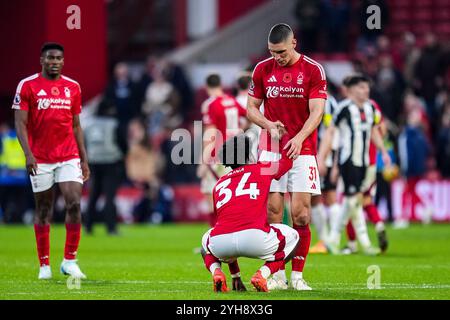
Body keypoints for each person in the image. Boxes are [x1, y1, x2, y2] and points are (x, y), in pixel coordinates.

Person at [247, 23, 327, 290]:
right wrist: (268, 125)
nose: (276, 57)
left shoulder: (313, 70)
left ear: (294, 43)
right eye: (271, 52)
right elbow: (251, 108)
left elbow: (317, 112)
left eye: (280, 51)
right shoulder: (262, 69)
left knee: (301, 214)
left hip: (302, 151)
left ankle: (298, 277)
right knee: (272, 213)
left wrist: (299, 137)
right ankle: (278, 274)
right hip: (270, 150)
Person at [12, 42, 90, 279]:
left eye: (58, 58)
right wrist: (28, 155)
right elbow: (20, 123)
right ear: (41, 60)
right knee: (44, 208)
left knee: (74, 203)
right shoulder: (27, 85)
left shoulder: (73, 87)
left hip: (68, 155)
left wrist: (84, 159)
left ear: (63, 61)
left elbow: (76, 125)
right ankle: (44, 265)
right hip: (41, 158)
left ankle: (69, 260)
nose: (54, 62)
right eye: (50, 58)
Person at [201, 134, 299, 292]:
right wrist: (287, 137)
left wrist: (236, 276)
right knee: (294, 237)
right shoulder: (261, 168)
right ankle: (262, 274)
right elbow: (286, 162)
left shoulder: (219, 184)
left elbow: (226, 223)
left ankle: (217, 272)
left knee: (206, 239)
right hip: (255, 239)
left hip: (222, 243)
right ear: (247, 155)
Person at [318, 74, 391, 255]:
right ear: (350, 91)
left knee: (355, 201)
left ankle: (355, 243)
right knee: (352, 199)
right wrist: (322, 157)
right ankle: (338, 239)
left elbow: (374, 131)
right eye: (361, 87)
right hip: (348, 160)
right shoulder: (343, 108)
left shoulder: (371, 108)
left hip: (365, 162)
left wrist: (383, 151)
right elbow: (330, 133)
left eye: (366, 87)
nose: (366, 90)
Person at [83, 99, 126, 235]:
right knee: (109, 196)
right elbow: (122, 143)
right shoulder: (113, 124)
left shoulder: (88, 125)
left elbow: (83, 143)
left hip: (94, 162)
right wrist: (122, 154)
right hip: (110, 161)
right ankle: (111, 228)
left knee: (93, 195)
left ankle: (88, 226)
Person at [309, 94, 341, 254]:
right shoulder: (331, 101)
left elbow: (330, 130)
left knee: (324, 196)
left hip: (323, 153)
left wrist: (321, 157)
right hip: (326, 153)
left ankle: (329, 240)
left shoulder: (325, 101)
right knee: (323, 195)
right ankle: (328, 240)